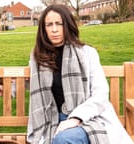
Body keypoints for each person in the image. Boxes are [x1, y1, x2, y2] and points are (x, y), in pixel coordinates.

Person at [27, 4, 134, 144]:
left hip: (88, 118)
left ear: (68, 25)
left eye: (59, 23)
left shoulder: (87, 53)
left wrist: (75, 118)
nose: (54, 29)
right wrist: (5, 88)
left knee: (63, 139)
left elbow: (100, 94)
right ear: (43, 29)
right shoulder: (38, 58)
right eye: (49, 25)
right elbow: (33, 84)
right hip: (51, 120)